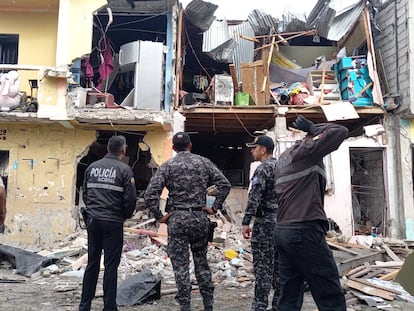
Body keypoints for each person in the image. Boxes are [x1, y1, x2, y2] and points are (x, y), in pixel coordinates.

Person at [144, 132, 231, 311]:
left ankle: (185, 306)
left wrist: (159, 216)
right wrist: (214, 208)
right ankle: (208, 305)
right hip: (199, 218)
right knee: (202, 262)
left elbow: (150, 194)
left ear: (174, 148)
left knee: (181, 266)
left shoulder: (168, 166)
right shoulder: (203, 162)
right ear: (190, 146)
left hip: (177, 220)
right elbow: (225, 185)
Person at [274, 115, 348, 311]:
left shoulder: (284, 158)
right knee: (328, 290)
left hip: (284, 231)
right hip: (304, 230)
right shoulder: (307, 152)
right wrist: (314, 128)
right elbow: (340, 131)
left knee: (289, 293)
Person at [79, 135, 137, 311]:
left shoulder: (92, 167)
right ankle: (109, 307)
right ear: (123, 150)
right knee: (111, 266)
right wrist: (124, 216)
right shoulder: (125, 170)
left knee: (92, 263)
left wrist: (93, 212)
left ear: (108, 149)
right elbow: (130, 200)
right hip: (113, 222)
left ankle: (84, 306)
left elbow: (86, 194)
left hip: (93, 221)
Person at [242, 135, 279, 311]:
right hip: (282, 222)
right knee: (279, 267)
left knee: (263, 267)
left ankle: (260, 306)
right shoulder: (282, 167)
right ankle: (279, 305)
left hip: (265, 222)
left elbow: (255, 196)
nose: (252, 150)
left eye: (254, 147)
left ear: (263, 150)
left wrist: (246, 221)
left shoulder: (263, 169)